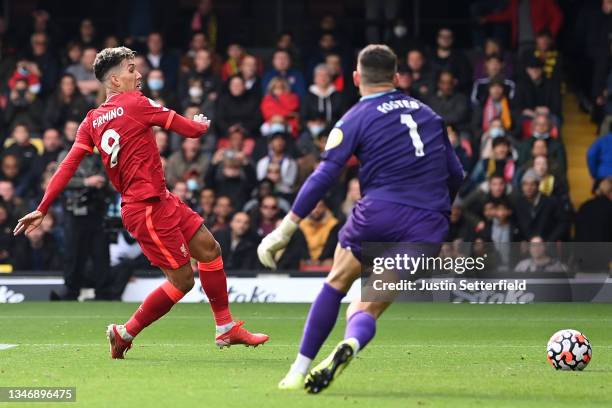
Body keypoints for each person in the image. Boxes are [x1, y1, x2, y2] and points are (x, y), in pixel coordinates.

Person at [13, 46, 268, 359]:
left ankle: (225, 327)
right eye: (131, 69)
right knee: (182, 280)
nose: (139, 74)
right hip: (145, 207)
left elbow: (67, 164)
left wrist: (43, 206)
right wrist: (201, 123)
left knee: (209, 249)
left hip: (161, 199)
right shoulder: (136, 103)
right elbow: (189, 131)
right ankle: (125, 332)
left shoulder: (91, 121)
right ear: (116, 81)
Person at [257, 45, 463, 392]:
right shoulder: (430, 114)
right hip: (429, 222)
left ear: (356, 78)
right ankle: (351, 342)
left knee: (337, 283)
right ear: (397, 77)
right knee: (368, 305)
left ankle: (298, 370)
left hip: (379, 212)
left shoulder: (355, 116)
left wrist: (285, 228)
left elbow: (324, 175)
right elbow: (456, 173)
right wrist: (437, 211)